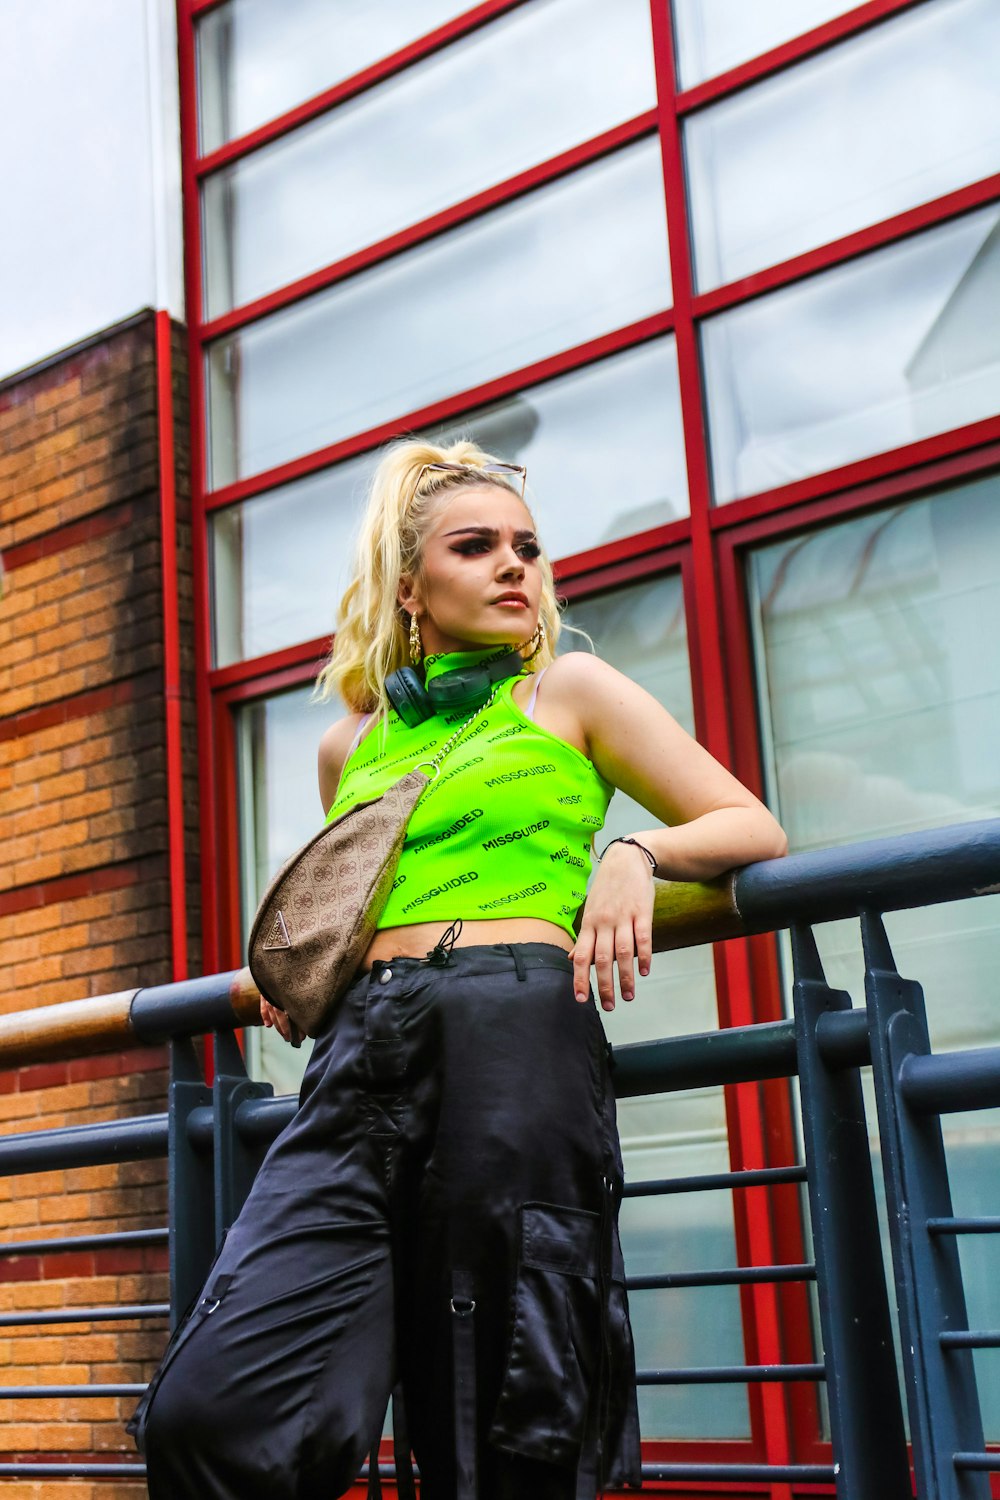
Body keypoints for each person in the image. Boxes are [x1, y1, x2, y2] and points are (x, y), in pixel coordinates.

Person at [134, 439, 787, 1500]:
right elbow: (359, 896)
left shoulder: (567, 690)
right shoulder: (354, 746)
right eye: (475, 546)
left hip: (515, 1042)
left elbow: (748, 824)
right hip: (358, 1056)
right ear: (410, 589)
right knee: (212, 1404)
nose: (513, 566)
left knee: (508, 1411)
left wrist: (636, 853)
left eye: (526, 548)